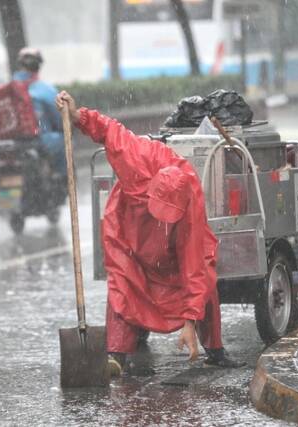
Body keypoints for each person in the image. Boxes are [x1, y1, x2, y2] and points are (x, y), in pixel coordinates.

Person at [55, 91, 244, 376]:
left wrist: (190, 322)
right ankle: (116, 355)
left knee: (206, 287)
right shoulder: (137, 158)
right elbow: (109, 130)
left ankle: (214, 348)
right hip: (127, 230)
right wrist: (77, 115)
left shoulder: (190, 205)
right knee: (123, 285)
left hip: (167, 253)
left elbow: (196, 266)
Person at [13, 47, 66, 176]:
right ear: (38, 65)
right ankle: (61, 177)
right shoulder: (45, 89)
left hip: (13, 142)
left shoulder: (8, 88)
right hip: (39, 139)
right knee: (63, 141)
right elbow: (59, 118)